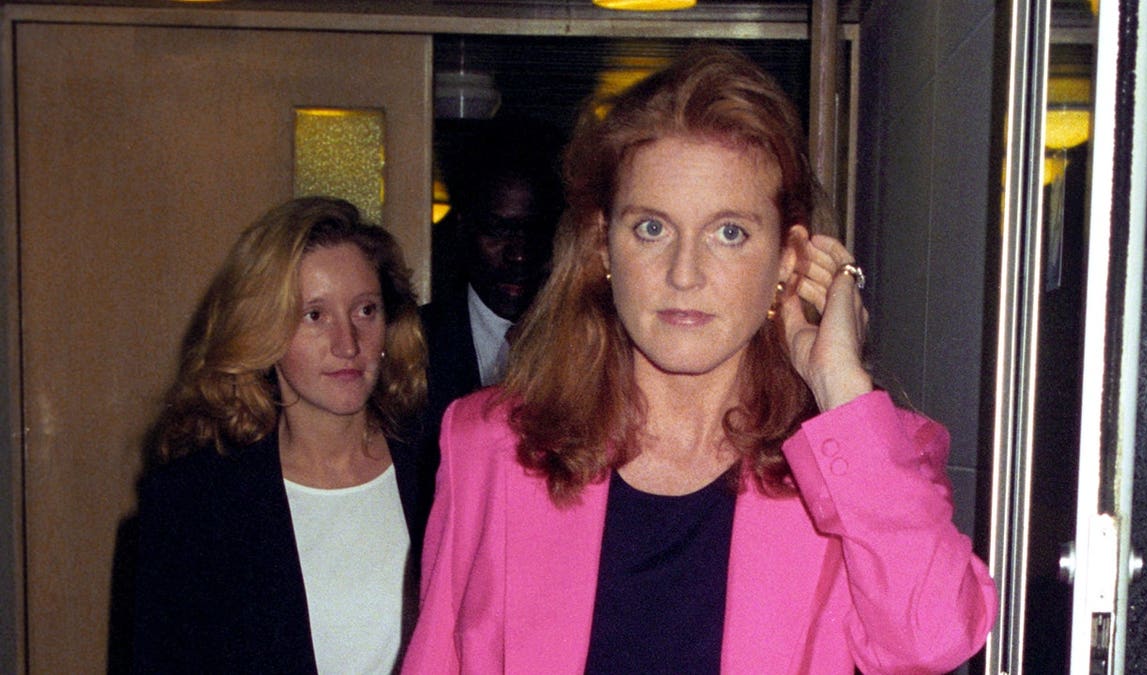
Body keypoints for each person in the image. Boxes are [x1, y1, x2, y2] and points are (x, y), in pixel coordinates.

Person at [402, 44, 997, 675]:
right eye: (652, 229)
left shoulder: (863, 459)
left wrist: (840, 383)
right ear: (604, 245)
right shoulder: (491, 446)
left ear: (788, 259)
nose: (684, 274)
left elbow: (930, 640)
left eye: (729, 233)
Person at [133, 196, 432, 674]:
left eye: (366, 310)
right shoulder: (195, 504)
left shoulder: (441, 471)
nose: (348, 343)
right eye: (314, 315)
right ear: (263, 330)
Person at [421, 119, 565, 444]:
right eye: (498, 230)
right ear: (463, 229)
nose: (518, 254)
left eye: (536, 232)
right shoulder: (413, 344)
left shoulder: (595, 348)